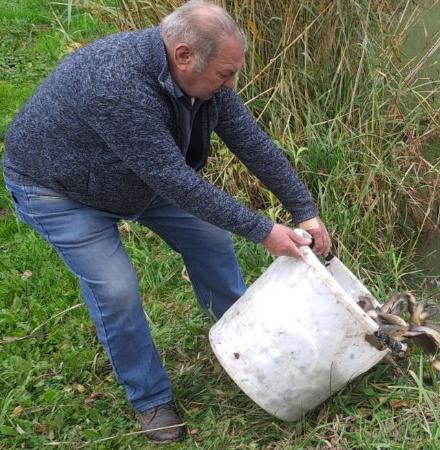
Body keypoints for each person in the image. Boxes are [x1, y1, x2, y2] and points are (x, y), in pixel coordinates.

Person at [2, 0, 330, 443]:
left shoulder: (207, 81)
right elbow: (174, 180)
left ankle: (244, 340)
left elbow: (251, 142)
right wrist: (263, 231)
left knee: (213, 240)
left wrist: (303, 209)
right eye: (225, 74)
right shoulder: (116, 85)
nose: (232, 84)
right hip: (59, 189)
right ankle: (150, 398)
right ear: (183, 55)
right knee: (116, 289)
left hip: (135, 175)